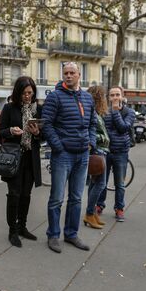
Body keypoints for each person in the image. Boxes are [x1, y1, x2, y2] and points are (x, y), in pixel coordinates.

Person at [41, 62, 96, 253]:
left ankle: (71, 234)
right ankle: (53, 235)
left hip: (83, 154)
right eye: (66, 73)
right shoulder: (55, 97)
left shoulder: (88, 98)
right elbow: (46, 124)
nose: (69, 76)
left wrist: (91, 142)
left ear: (79, 74)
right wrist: (59, 146)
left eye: (72, 73)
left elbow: (92, 123)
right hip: (63, 155)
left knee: (76, 198)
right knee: (56, 198)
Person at [0, 77, 42, 247]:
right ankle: (12, 230)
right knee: (14, 194)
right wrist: (10, 131)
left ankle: (22, 226)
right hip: (14, 157)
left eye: (30, 93)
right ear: (18, 92)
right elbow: (1, 131)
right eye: (24, 93)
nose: (27, 96)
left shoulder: (38, 109)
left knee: (26, 195)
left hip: (31, 158)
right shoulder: (9, 108)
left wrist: (37, 132)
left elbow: (43, 136)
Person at [96, 86, 135, 222]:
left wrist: (116, 112)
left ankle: (119, 208)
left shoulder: (129, 112)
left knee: (120, 183)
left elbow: (123, 127)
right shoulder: (103, 112)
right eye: (112, 95)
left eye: (117, 94)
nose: (114, 97)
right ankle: (99, 205)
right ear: (108, 97)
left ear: (122, 96)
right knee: (102, 182)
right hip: (105, 152)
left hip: (121, 152)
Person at [84, 86, 110, 229]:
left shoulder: (95, 113)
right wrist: (103, 138)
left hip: (101, 150)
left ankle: (92, 213)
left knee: (95, 183)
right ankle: (89, 214)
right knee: (100, 184)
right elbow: (90, 132)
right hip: (97, 151)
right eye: (103, 96)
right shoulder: (92, 112)